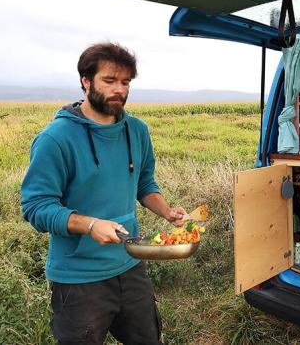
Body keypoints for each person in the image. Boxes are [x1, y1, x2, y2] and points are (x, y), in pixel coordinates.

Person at [21, 42, 186, 345]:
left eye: (125, 82)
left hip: (130, 263)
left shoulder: (137, 130)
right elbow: (36, 206)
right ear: (86, 81)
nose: (119, 90)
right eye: (109, 81)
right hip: (79, 277)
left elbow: (144, 183)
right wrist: (90, 224)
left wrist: (166, 211)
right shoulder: (55, 139)